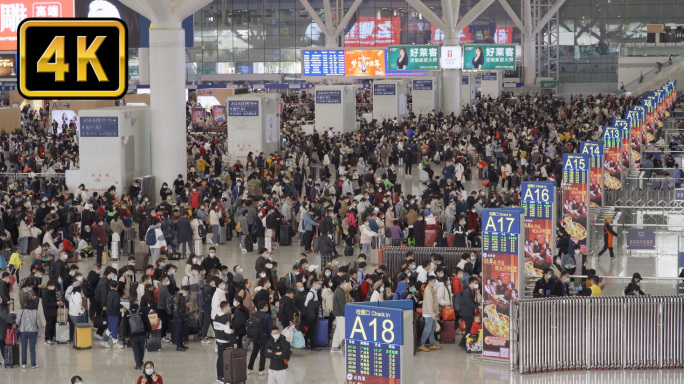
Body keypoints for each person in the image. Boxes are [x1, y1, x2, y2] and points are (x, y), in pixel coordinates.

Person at [125, 295, 153, 370]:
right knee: (141, 348)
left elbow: (125, 325)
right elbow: (146, 322)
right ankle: (140, 361)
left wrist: (125, 335)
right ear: (136, 302)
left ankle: (138, 364)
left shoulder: (127, 312)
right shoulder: (142, 310)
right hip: (142, 333)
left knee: (135, 349)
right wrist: (149, 332)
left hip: (132, 334)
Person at [16, 295, 43, 368]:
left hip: (23, 332)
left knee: (23, 348)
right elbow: (39, 322)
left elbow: (17, 322)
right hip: (33, 332)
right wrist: (41, 331)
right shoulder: (36, 312)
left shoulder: (22, 311)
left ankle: (24, 364)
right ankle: (33, 364)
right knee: (32, 348)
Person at [248, 301, 273, 375]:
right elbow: (270, 328)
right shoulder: (267, 316)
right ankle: (261, 370)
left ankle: (250, 368)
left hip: (255, 336)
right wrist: (271, 338)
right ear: (264, 307)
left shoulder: (254, 314)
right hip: (264, 337)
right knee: (263, 354)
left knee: (254, 352)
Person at [214, 300, 236, 382]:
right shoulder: (225, 318)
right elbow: (228, 332)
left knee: (219, 359)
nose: (229, 308)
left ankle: (219, 376)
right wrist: (234, 342)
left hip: (218, 339)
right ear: (226, 307)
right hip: (224, 341)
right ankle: (223, 377)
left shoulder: (216, 316)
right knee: (224, 360)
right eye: (228, 306)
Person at [418, 275, 440, 352]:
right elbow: (429, 303)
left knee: (431, 329)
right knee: (427, 329)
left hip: (432, 312)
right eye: (434, 281)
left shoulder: (431, 288)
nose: (435, 283)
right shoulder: (428, 290)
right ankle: (422, 344)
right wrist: (432, 314)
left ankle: (431, 343)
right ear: (430, 281)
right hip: (429, 313)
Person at [102, 280, 124, 348]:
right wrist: (122, 306)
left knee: (110, 327)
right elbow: (116, 304)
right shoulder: (116, 294)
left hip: (109, 312)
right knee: (114, 327)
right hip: (114, 313)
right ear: (117, 286)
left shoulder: (109, 293)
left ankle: (104, 340)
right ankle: (115, 343)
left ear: (110, 286)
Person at [330, 274, 349, 352]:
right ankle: (343, 348)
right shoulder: (340, 292)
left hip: (337, 314)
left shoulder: (337, 290)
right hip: (341, 315)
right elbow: (342, 305)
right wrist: (346, 314)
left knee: (337, 332)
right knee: (342, 331)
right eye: (346, 283)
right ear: (343, 282)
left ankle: (334, 347)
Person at [460, 277, 479, 350]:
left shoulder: (472, 291)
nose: (476, 285)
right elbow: (469, 302)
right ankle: (463, 343)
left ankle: (464, 343)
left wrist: (478, 304)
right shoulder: (467, 291)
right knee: (469, 328)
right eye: (476, 283)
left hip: (470, 312)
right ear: (471, 282)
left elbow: (472, 302)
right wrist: (477, 306)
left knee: (469, 328)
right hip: (466, 312)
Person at [303, 278, 322, 351]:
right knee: (312, 330)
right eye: (318, 284)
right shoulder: (310, 293)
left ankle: (305, 342)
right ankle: (312, 346)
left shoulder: (315, 292)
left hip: (314, 314)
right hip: (311, 315)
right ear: (314, 284)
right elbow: (306, 304)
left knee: (310, 330)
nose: (319, 285)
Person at [172, 286, 191, 351]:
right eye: (187, 292)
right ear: (184, 290)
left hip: (182, 316)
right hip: (178, 317)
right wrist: (179, 316)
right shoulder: (177, 297)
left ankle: (181, 344)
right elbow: (176, 308)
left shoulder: (181, 296)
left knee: (182, 331)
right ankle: (178, 346)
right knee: (178, 331)